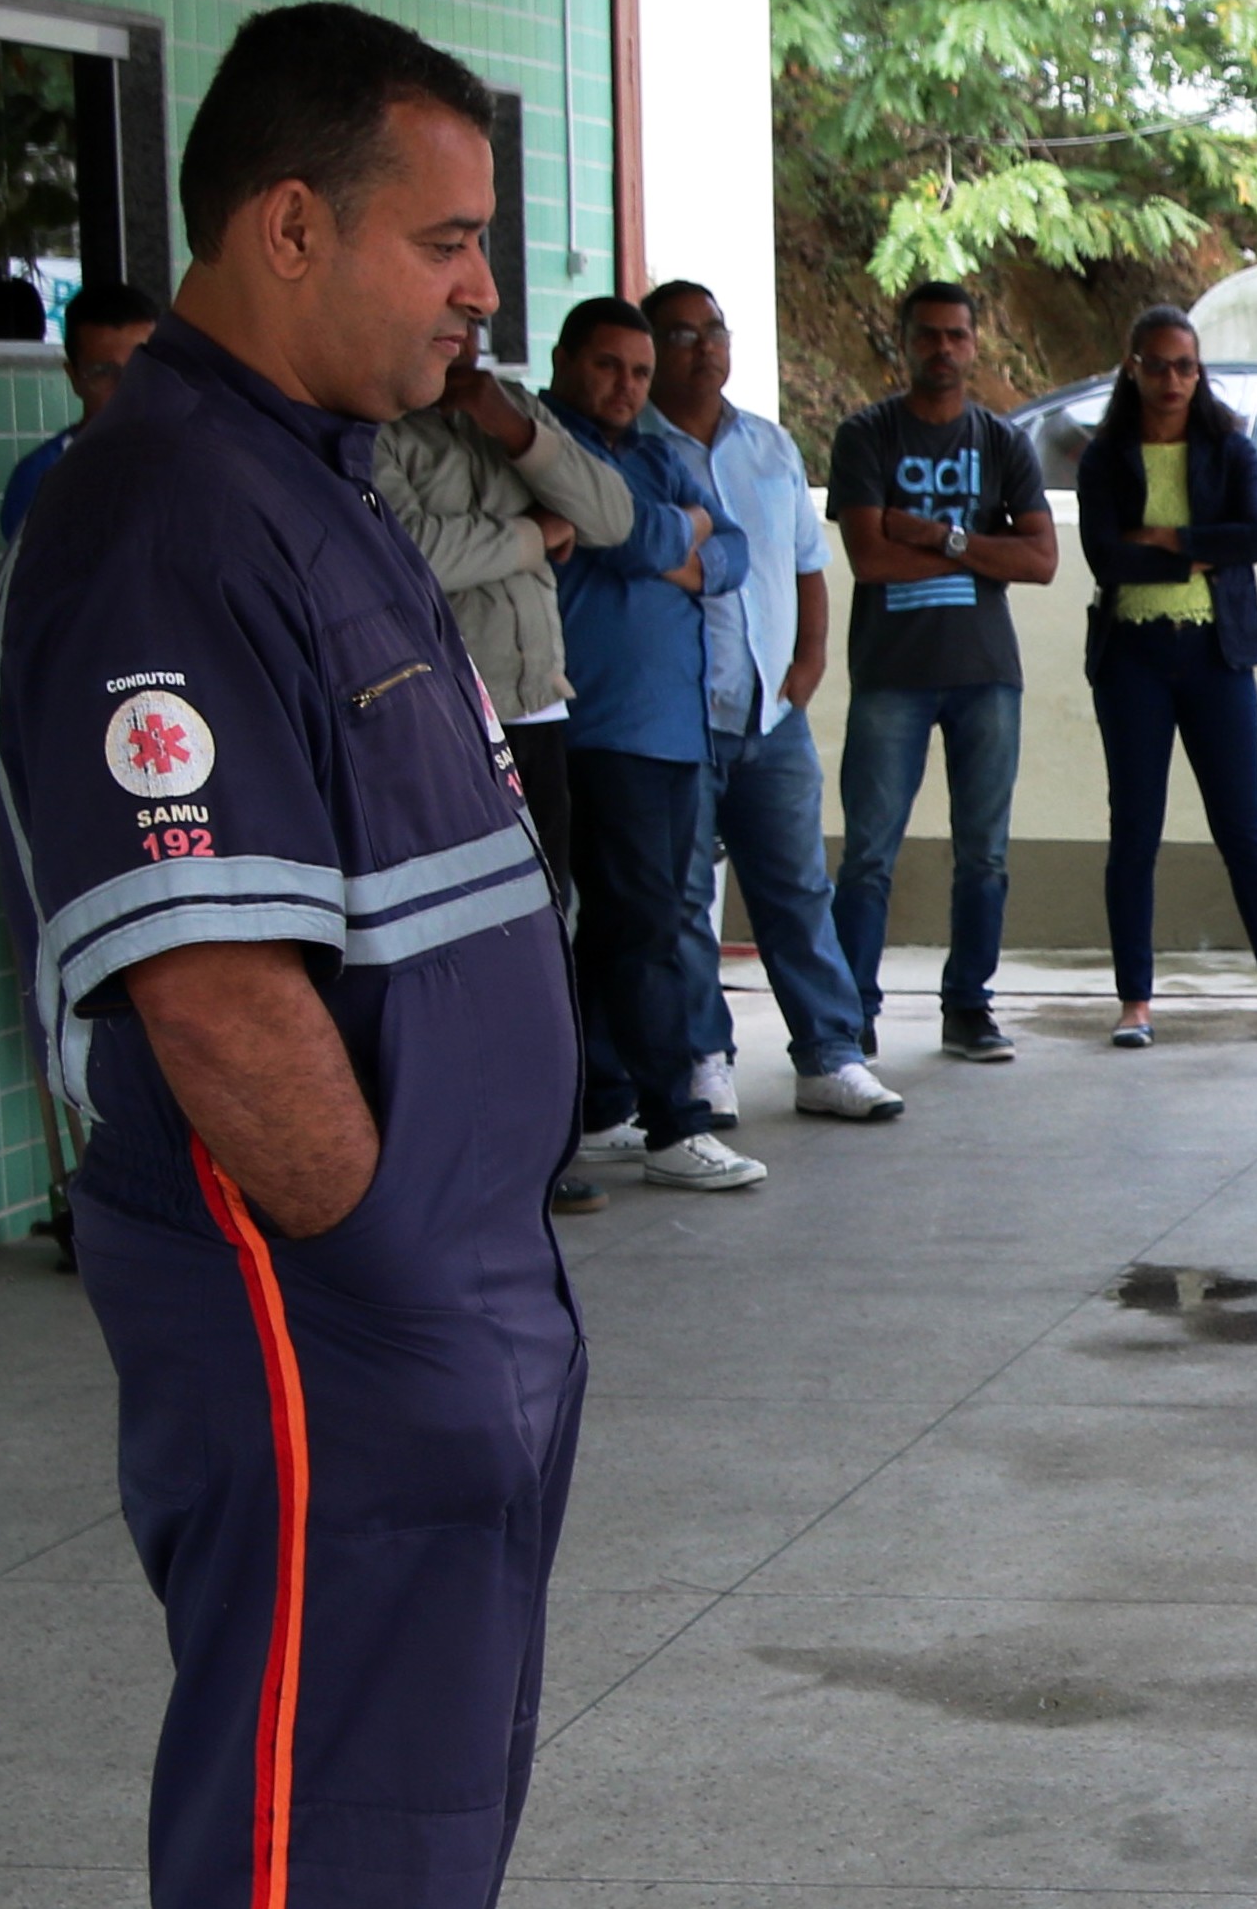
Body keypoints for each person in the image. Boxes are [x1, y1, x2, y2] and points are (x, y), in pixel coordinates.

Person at [0, 0, 637, 1909]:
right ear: (290, 226)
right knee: (321, 1798)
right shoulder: (162, 518)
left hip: (447, 1279)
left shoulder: (324, 473)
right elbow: (222, 995)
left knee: (433, 1772)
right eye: (446, 238)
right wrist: (383, 1265)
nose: (482, 285)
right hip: (333, 1306)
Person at [376, 338, 640, 1213]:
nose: (460, 340)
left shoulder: (517, 411)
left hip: (539, 710)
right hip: (449, 714)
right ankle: (461, 1146)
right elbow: (414, 552)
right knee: (456, 933)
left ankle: (541, 1144)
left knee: (544, 923)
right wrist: (534, 534)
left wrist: (516, 432)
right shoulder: (382, 426)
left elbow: (609, 517)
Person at [644, 281, 896, 1126]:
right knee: (683, 902)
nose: (705, 347)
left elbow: (803, 563)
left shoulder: (769, 444)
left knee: (796, 887)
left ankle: (830, 1056)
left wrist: (813, 655)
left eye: (713, 330)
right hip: (675, 716)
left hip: (770, 714)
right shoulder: (631, 449)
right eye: (681, 335)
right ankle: (701, 1062)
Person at [541, 297, 762, 1193]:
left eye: (638, 371)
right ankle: (677, 1121)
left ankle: (603, 1105)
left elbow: (734, 552)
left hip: (677, 726)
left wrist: (678, 539)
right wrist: (679, 536)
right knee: (647, 928)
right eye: (607, 366)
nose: (626, 386)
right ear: (562, 362)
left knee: (634, 923)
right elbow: (634, 533)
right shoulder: (549, 447)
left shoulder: (665, 452)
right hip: (601, 726)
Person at [1077, 308, 1257, 1048]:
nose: (1171, 380)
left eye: (1184, 366)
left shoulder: (1227, 447)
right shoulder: (1105, 456)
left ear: (1200, 371)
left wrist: (1165, 539)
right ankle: (1135, 1003)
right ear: (1132, 368)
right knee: (1134, 832)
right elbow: (1105, 558)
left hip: (1215, 656)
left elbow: (1252, 538)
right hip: (1131, 658)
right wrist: (1196, 552)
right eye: (1156, 365)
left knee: (1243, 832)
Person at [825, 281, 1056, 1065]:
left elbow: (1042, 560)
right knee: (867, 855)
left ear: (974, 344)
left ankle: (968, 1008)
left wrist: (936, 535)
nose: (943, 350)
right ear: (903, 342)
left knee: (984, 852)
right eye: (928, 336)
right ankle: (850, 1016)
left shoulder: (1002, 443)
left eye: (957, 336)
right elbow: (867, 557)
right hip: (891, 673)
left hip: (986, 674)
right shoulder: (867, 436)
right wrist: (978, 542)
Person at [1, 278, 161, 540]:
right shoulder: (43, 478)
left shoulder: (196, 459)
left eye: (141, 369)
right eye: (103, 372)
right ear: (73, 376)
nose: (126, 388)